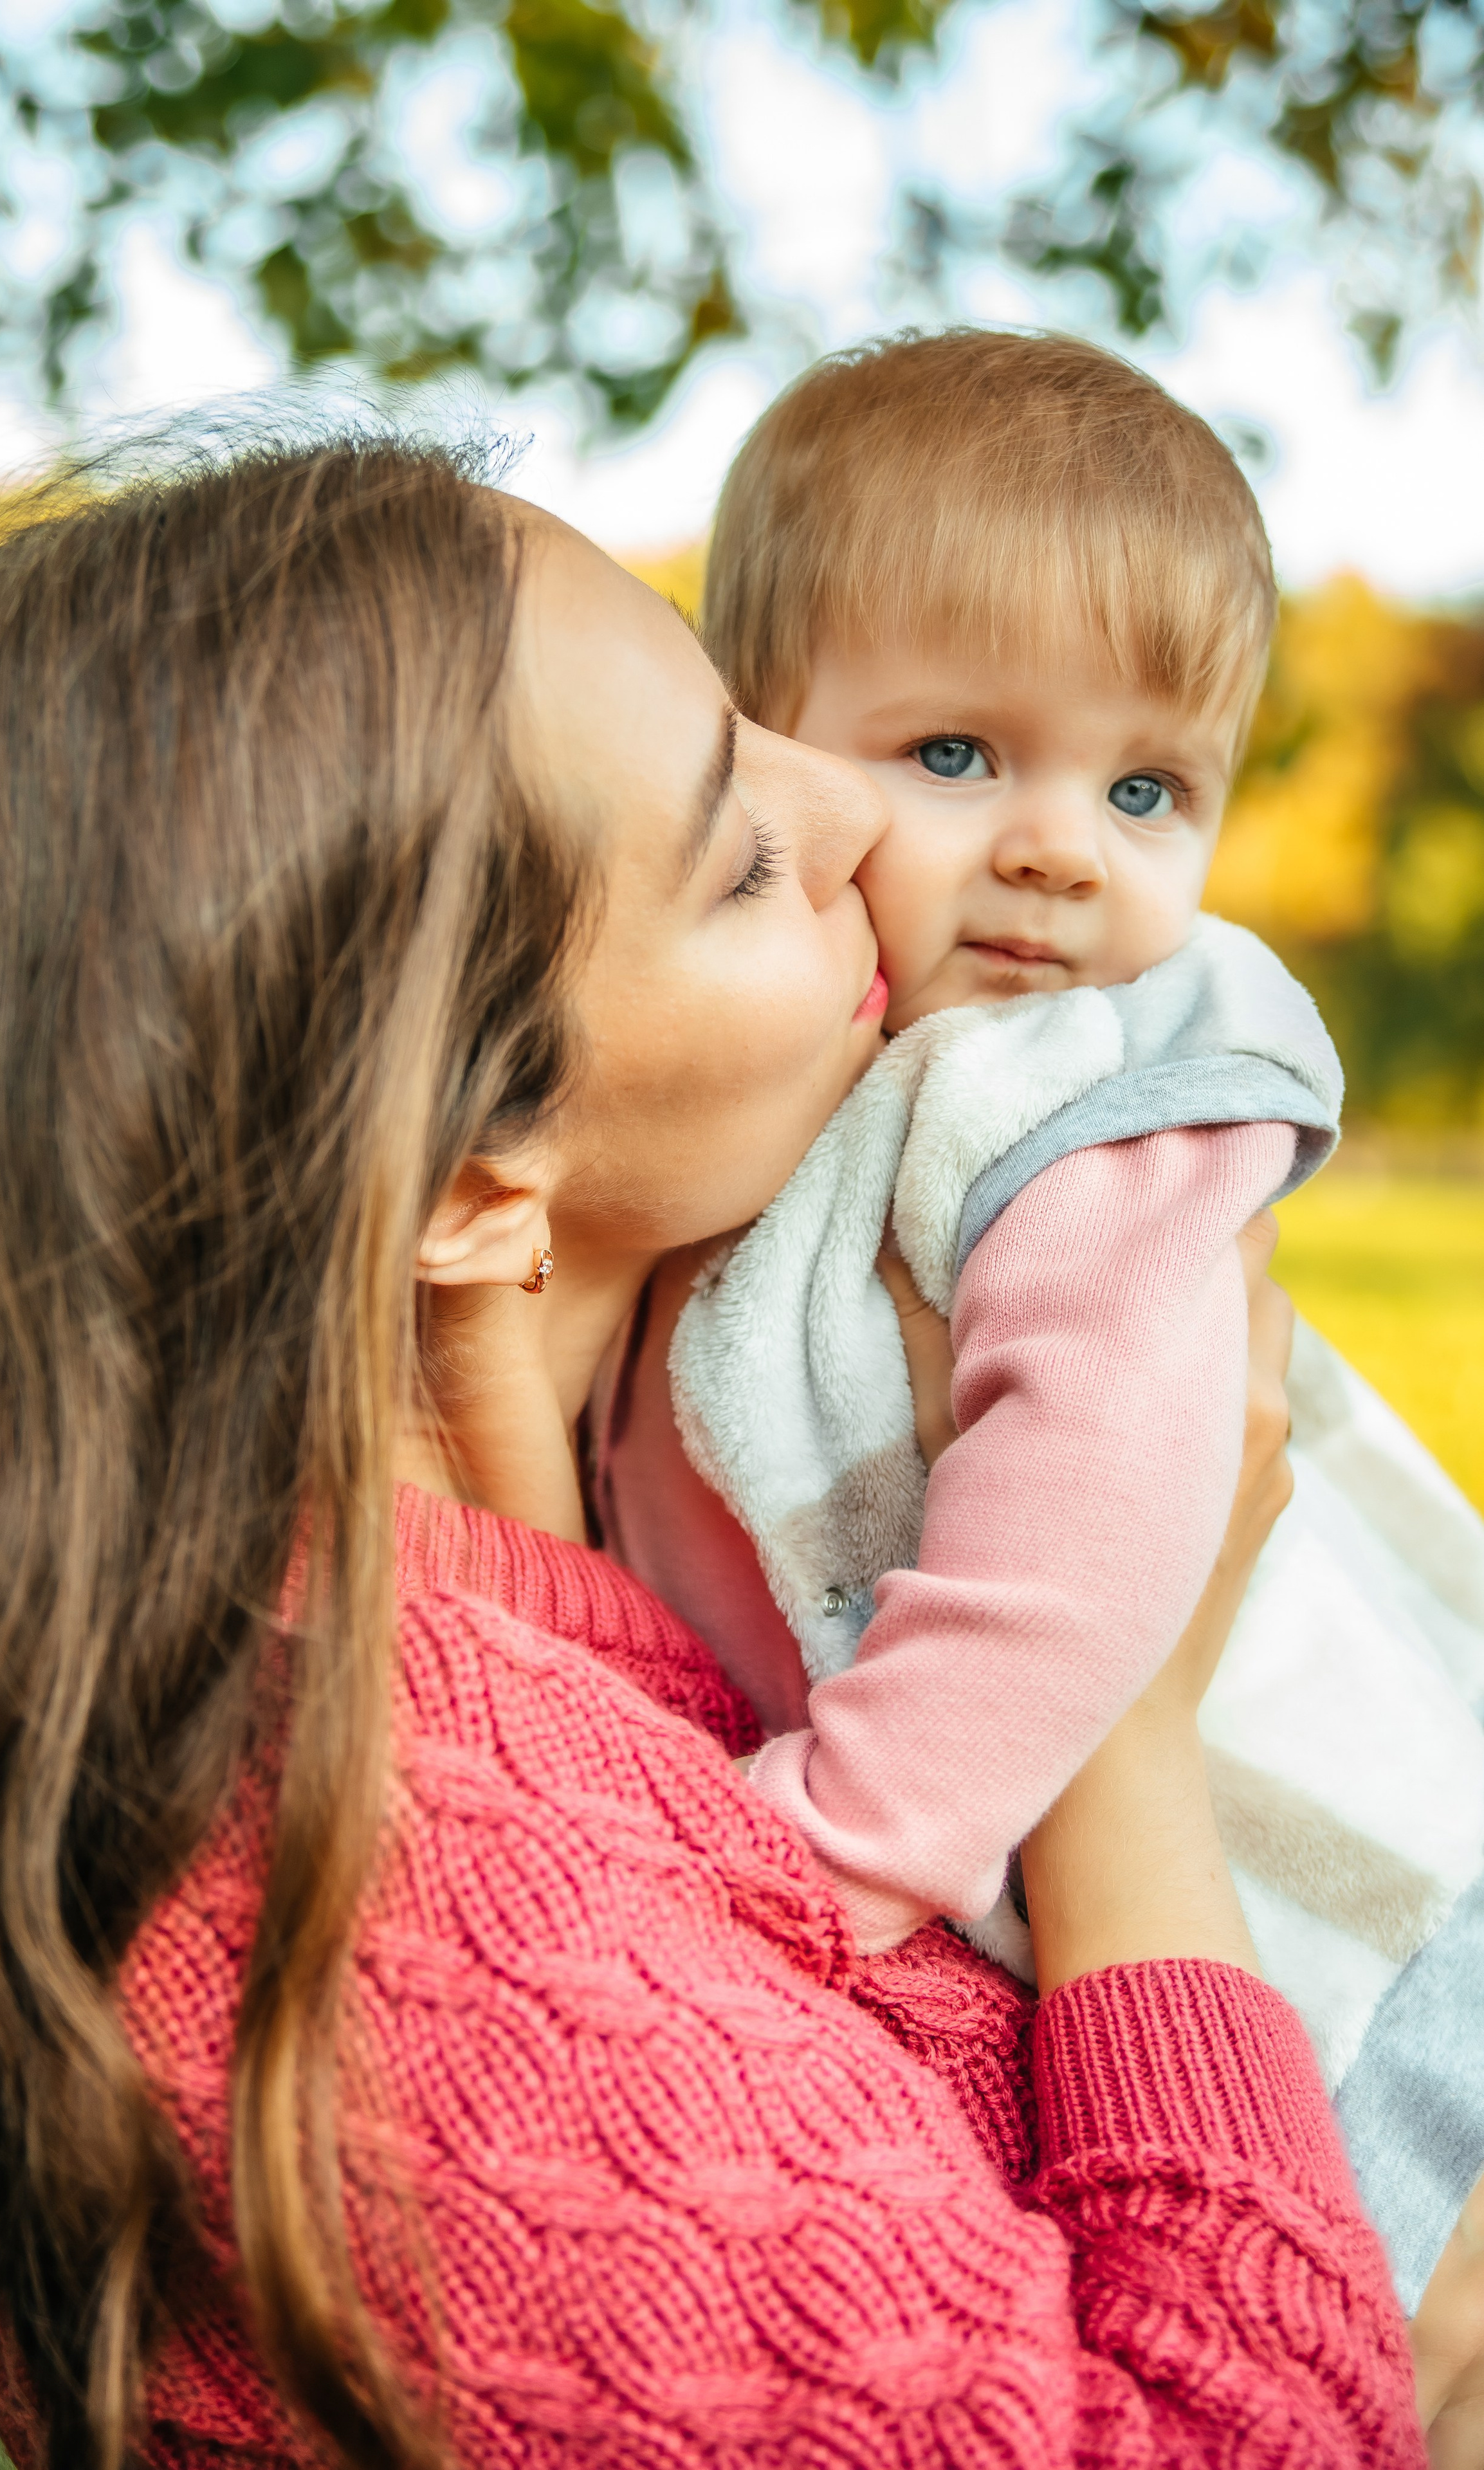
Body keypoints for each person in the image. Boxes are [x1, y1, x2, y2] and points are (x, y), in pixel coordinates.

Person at [0, 436, 1426, 2468]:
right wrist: (1124, 1722)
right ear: (473, 1183)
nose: (855, 803)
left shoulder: (558, 1576)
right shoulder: (403, 1934)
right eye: (739, 852)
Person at [594, 329, 1484, 2307]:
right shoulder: (802, 1086)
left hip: (1345, 1917)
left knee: (1367, 2337)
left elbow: (1096, 1512)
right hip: (1076, 1912)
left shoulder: (1078, 1093)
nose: (1060, 846)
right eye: (955, 754)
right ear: (762, 748)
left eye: (1149, 785)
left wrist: (847, 1837)